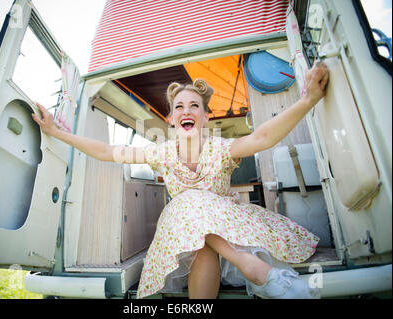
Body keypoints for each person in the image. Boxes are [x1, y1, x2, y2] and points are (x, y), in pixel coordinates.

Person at [32, 60, 329, 299]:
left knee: (193, 209)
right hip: (187, 247)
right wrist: (58, 133)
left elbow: (262, 137)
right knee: (193, 223)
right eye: (179, 107)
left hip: (235, 235)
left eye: (194, 106)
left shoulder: (222, 149)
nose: (186, 111)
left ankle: (251, 264)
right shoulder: (162, 153)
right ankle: (255, 271)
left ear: (205, 117)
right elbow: (109, 151)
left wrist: (309, 99)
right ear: (172, 119)